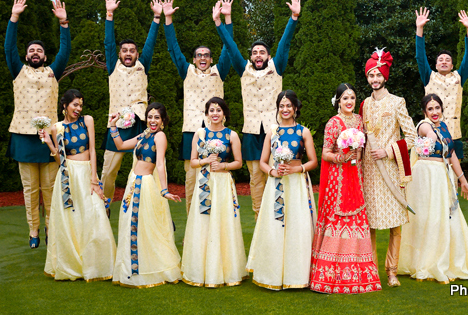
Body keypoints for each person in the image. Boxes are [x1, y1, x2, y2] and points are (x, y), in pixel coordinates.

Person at [216, 0, 301, 219]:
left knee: (278, 173)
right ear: (250, 57)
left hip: (275, 130)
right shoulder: (243, 69)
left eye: (262, 52)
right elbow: (231, 47)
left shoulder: (277, 66)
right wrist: (220, 23)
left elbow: (285, 44)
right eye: (254, 52)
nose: (258, 55)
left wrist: (293, 18)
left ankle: (280, 217)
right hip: (253, 132)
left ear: (268, 56)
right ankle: (258, 219)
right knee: (256, 176)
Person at [5, 0, 71, 248]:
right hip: (23, 137)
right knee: (30, 190)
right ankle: (33, 233)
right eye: (31, 50)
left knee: (50, 190)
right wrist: (14, 17)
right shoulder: (17, 70)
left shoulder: (54, 72)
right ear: (26, 55)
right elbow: (9, 49)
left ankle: (51, 231)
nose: (35, 53)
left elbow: (65, 51)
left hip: (50, 140)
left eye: (39, 51)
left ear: (45, 56)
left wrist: (63, 23)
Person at [397, 94, 468, 283]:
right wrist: (431, 136)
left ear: (442, 109)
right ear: (425, 111)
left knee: (446, 215)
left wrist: (463, 179)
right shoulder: (424, 125)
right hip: (426, 175)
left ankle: (448, 259)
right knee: (430, 217)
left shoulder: (443, 127)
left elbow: (451, 155)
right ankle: (427, 261)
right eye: (430, 109)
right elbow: (431, 137)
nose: (435, 112)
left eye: (437, 108)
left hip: (442, 173)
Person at [310, 84, 381, 294]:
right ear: (338, 102)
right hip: (337, 179)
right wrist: (342, 157)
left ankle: (361, 276)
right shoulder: (333, 123)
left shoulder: (359, 121)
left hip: (356, 177)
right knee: (337, 219)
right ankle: (329, 277)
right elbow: (325, 153)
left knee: (357, 218)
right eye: (345, 98)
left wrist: (356, 156)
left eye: (352, 97)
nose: (349, 102)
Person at [165, 0, 232, 214]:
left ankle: (216, 226)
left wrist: (225, 20)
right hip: (191, 131)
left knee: (215, 180)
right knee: (192, 182)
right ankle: (194, 230)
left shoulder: (219, 71)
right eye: (198, 55)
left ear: (211, 59)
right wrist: (168, 20)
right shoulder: (187, 72)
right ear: (193, 59)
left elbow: (229, 48)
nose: (202, 58)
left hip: (216, 132)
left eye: (206, 55)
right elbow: (174, 49)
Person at [41, 89, 116, 281]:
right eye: (75, 104)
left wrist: (94, 178)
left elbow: (92, 150)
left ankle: (99, 265)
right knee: (70, 220)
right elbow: (60, 159)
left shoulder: (87, 120)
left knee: (96, 213)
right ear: (64, 105)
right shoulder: (57, 127)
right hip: (67, 175)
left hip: (86, 173)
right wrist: (49, 143)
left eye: (81, 105)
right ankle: (73, 266)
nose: (78, 108)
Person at [246, 90, 318, 290]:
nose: (285, 109)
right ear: (277, 109)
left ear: (295, 108)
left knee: (298, 225)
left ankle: (298, 275)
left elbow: (313, 161)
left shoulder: (303, 131)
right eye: (281, 106)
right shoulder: (272, 131)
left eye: (288, 106)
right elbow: (261, 161)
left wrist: (297, 169)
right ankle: (273, 274)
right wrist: (271, 171)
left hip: (296, 183)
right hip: (276, 184)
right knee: (275, 226)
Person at [100, 0, 162, 217]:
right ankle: (104, 205)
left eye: (132, 50)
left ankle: (152, 207)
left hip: (138, 124)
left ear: (137, 54)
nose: (128, 53)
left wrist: (156, 18)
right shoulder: (112, 66)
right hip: (115, 126)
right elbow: (108, 42)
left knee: (145, 169)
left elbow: (151, 44)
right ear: (119, 53)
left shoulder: (143, 64)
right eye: (124, 50)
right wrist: (109, 15)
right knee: (108, 171)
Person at [359, 49, 417, 287]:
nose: (374, 79)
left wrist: (389, 151)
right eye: (371, 75)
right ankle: (371, 271)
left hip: (390, 171)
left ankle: (391, 272)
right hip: (369, 172)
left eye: (378, 75)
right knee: (370, 224)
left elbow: (412, 137)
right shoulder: (362, 104)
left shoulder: (397, 102)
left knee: (394, 224)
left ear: (385, 76)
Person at [109, 102, 182, 288]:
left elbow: (160, 164)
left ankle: (149, 268)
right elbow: (122, 144)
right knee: (131, 224)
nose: (152, 120)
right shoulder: (144, 135)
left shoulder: (160, 137)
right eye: (150, 116)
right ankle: (133, 269)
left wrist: (164, 190)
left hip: (146, 185)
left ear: (163, 120)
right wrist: (113, 126)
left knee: (144, 225)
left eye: (157, 117)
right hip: (133, 183)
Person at [181, 97, 246, 287]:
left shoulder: (231, 135)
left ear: (224, 114)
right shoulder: (199, 134)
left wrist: (223, 165)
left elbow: (239, 163)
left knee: (223, 221)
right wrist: (206, 161)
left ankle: (226, 269)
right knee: (204, 221)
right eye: (211, 110)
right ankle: (200, 269)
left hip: (223, 182)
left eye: (219, 110)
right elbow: (192, 161)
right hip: (204, 182)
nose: (215, 114)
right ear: (206, 113)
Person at [414, 7, 468, 159]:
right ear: (435, 65)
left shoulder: (459, 77)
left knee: (454, 174)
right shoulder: (429, 77)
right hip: (432, 131)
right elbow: (420, 57)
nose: (444, 62)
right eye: (440, 60)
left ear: (452, 65)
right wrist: (419, 29)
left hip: (454, 133)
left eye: (448, 60)